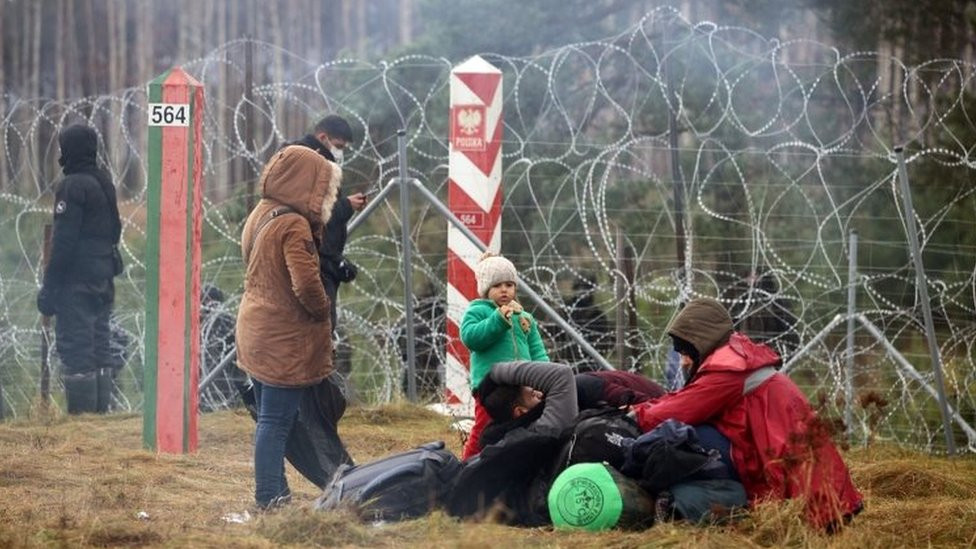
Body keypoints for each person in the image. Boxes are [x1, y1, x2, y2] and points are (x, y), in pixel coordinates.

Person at [629, 298, 863, 530]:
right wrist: (644, 406)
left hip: (813, 496)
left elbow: (679, 410)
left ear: (701, 342)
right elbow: (686, 397)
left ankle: (677, 504)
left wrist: (633, 417)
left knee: (684, 436)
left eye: (686, 351)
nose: (683, 362)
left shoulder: (728, 371)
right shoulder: (736, 358)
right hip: (817, 484)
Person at [236, 145, 342, 509]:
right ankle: (269, 497)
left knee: (271, 418)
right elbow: (306, 284)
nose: (327, 196)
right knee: (275, 422)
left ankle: (276, 492)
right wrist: (323, 312)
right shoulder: (294, 225)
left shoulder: (263, 212)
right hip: (283, 337)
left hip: (257, 328)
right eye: (323, 187)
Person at [36, 124, 122, 415]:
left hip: (77, 283)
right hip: (103, 277)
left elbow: (63, 243)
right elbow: (115, 229)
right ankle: (99, 422)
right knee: (99, 346)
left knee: (77, 350)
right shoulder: (103, 182)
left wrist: (50, 288)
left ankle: (83, 424)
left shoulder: (72, 186)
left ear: (68, 150)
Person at [459, 252, 550, 459]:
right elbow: (471, 338)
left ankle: (502, 462)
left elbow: (537, 350)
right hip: (491, 386)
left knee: (517, 427)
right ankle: (466, 465)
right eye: (497, 285)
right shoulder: (479, 310)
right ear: (486, 289)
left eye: (509, 285)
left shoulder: (524, 317)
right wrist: (497, 320)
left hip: (521, 385)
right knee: (484, 426)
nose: (504, 290)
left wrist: (544, 376)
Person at [288, 114, 368, 332]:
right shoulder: (310, 162)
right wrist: (345, 206)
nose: (341, 152)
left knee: (320, 331)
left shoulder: (320, 162)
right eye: (339, 145)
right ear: (323, 137)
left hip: (322, 261)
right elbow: (312, 212)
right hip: (314, 261)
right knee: (318, 331)